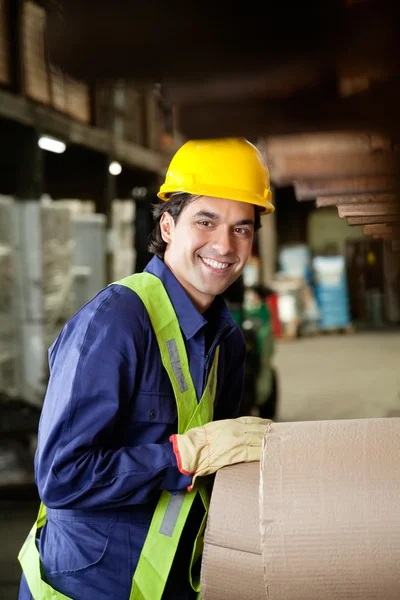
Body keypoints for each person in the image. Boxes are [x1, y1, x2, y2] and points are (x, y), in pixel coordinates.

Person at [18, 137, 275, 600]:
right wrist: (182, 455)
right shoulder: (117, 320)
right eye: (206, 221)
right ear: (168, 225)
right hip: (86, 588)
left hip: (170, 583)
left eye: (242, 228)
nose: (225, 243)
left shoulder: (228, 342)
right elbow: (61, 476)